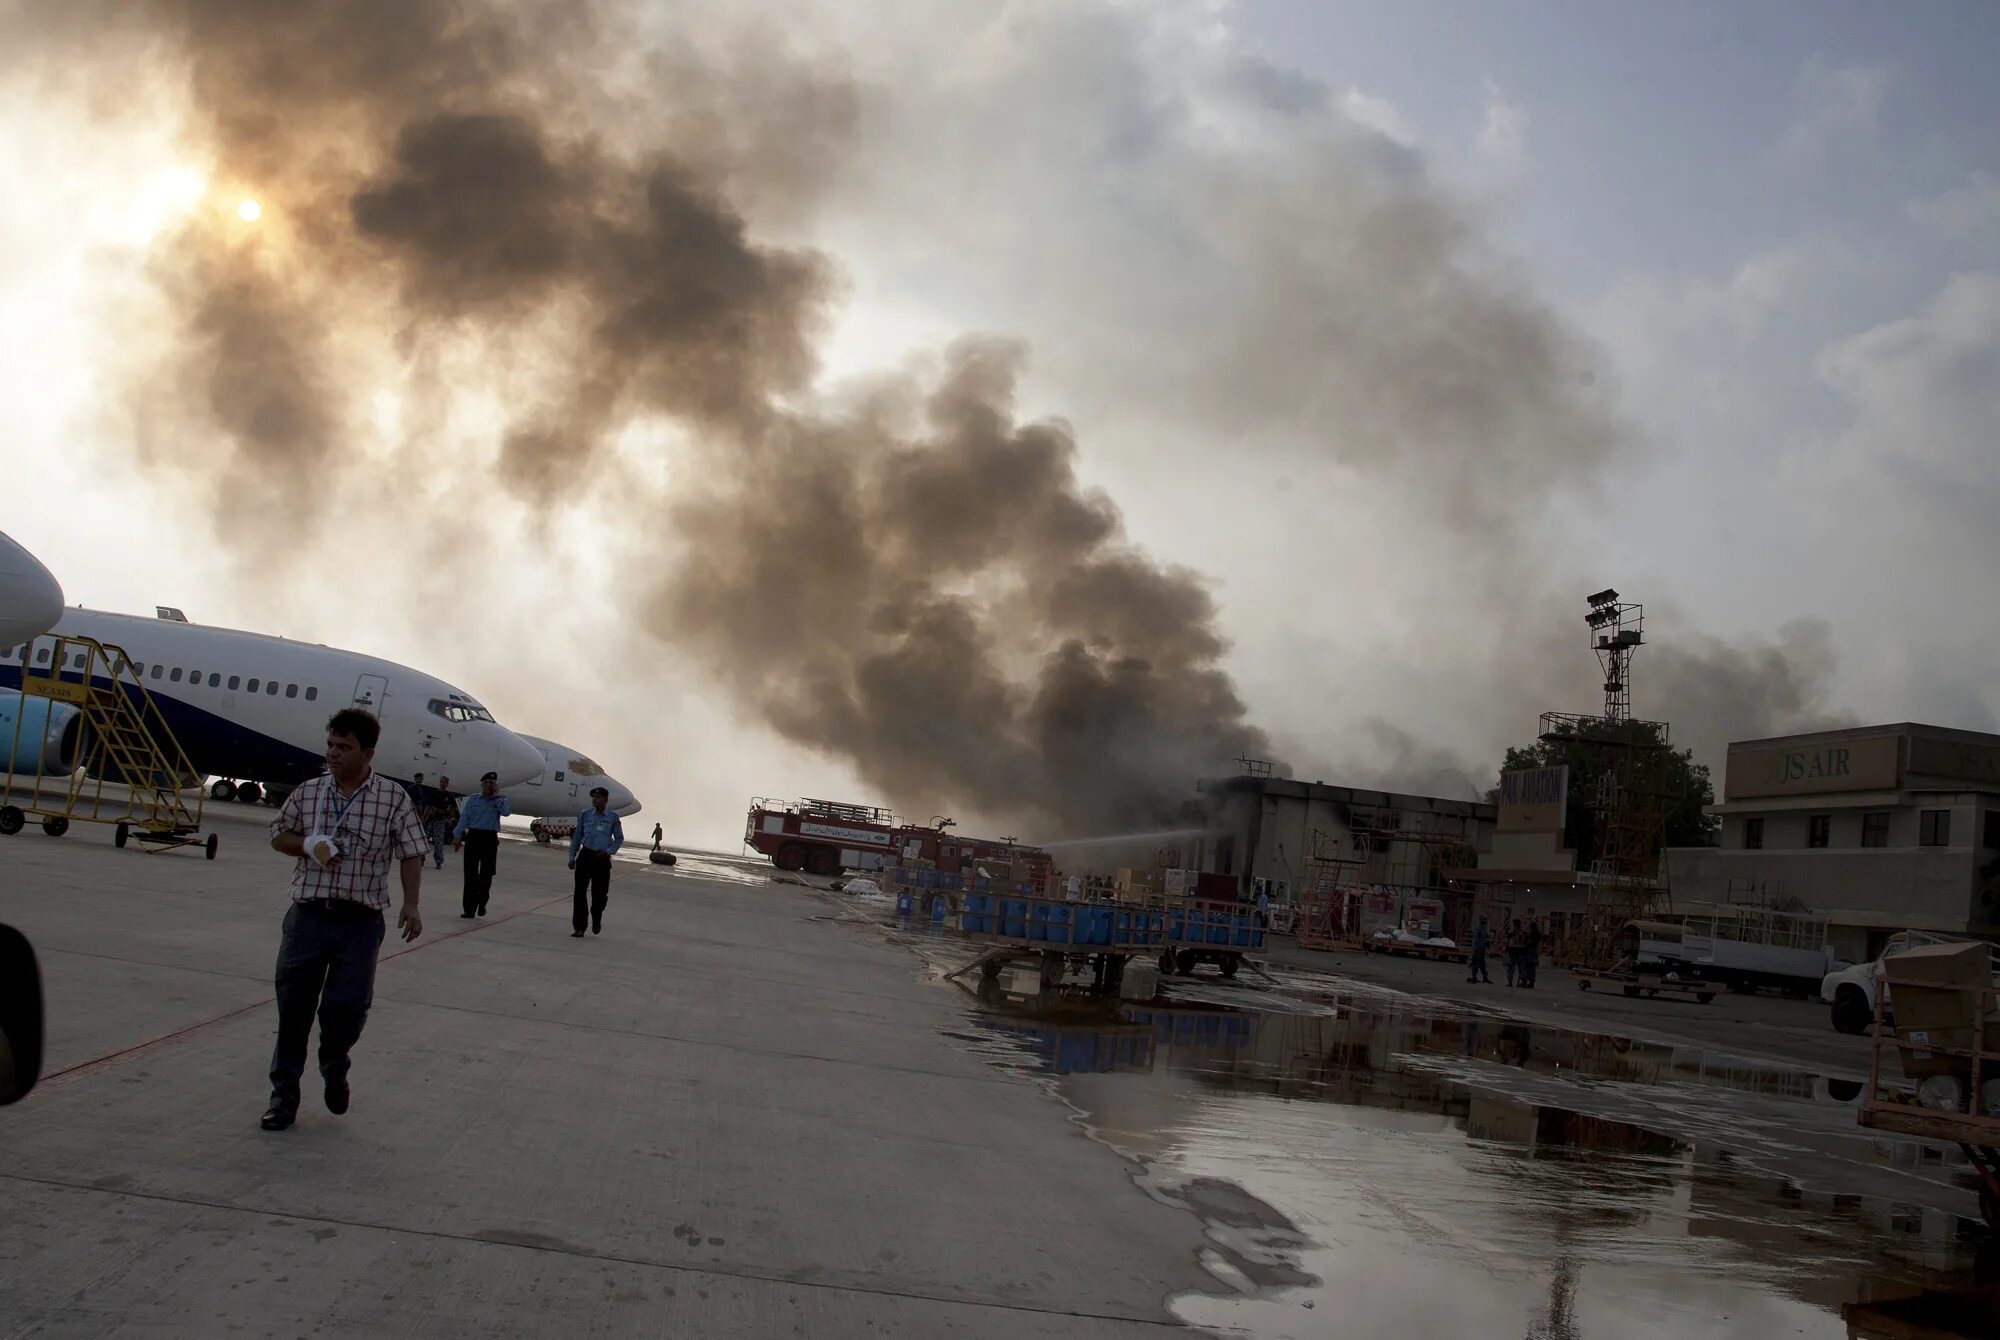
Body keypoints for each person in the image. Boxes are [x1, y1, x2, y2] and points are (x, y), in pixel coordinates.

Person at [260, 708, 425, 1132]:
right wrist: (308, 843)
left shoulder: (393, 799)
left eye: (344, 747)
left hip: (360, 923)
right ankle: (284, 1097)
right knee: (293, 1009)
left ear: (367, 753)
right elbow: (279, 834)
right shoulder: (309, 792)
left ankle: (334, 1062)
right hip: (308, 918)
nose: (333, 754)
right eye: (331, 745)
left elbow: (410, 851)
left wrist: (411, 904)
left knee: (346, 1007)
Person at [451, 771, 511, 919]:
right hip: (474, 836)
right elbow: (464, 817)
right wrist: (457, 836)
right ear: (482, 785)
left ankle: (482, 902)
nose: (489, 786)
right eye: (486, 783)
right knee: (470, 874)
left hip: (489, 839)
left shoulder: (501, 800)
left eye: (492, 783)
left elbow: (506, 813)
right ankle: (469, 909)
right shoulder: (473, 799)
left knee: (486, 874)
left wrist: (496, 797)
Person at [568, 785, 625, 937]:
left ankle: (596, 917)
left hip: (601, 859)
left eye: (598, 797)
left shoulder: (613, 817)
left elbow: (619, 839)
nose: (595, 800)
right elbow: (577, 838)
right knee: (579, 892)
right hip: (585, 856)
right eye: (594, 797)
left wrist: (608, 852)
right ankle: (579, 927)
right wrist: (571, 857)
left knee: (599, 895)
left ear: (605, 800)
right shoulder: (585, 814)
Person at [1466, 914, 1492, 984]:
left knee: (1482, 964)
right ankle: (1474, 977)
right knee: (1476, 963)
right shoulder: (1479, 928)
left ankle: (1485, 978)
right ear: (1481, 920)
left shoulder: (1484, 928)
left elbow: (1483, 938)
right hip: (1478, 948)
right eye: (1484, 919)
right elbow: (1477, 939)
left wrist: (1486, 943)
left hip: (1482, 948)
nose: (1485, 921)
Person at [1523, 913, 1543, 989]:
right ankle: (1531, 981)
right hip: (1534, 951)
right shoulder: (1537, 934)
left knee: (1528, 967)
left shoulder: (1533, 934)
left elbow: (1529, 942)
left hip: (1530, 950)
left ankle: (1529, 981)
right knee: (1532, 967)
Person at [1505, 918, 1528, 987]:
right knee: (1521, 967)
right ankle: (1523, 981)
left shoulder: (1512, 932)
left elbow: (1508, 939)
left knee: (1511, 967)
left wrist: (1507, 949)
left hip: (1513, 951)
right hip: (1521, 951)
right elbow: (1526, 942)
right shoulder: (1523, 932)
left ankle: (1510, 981)